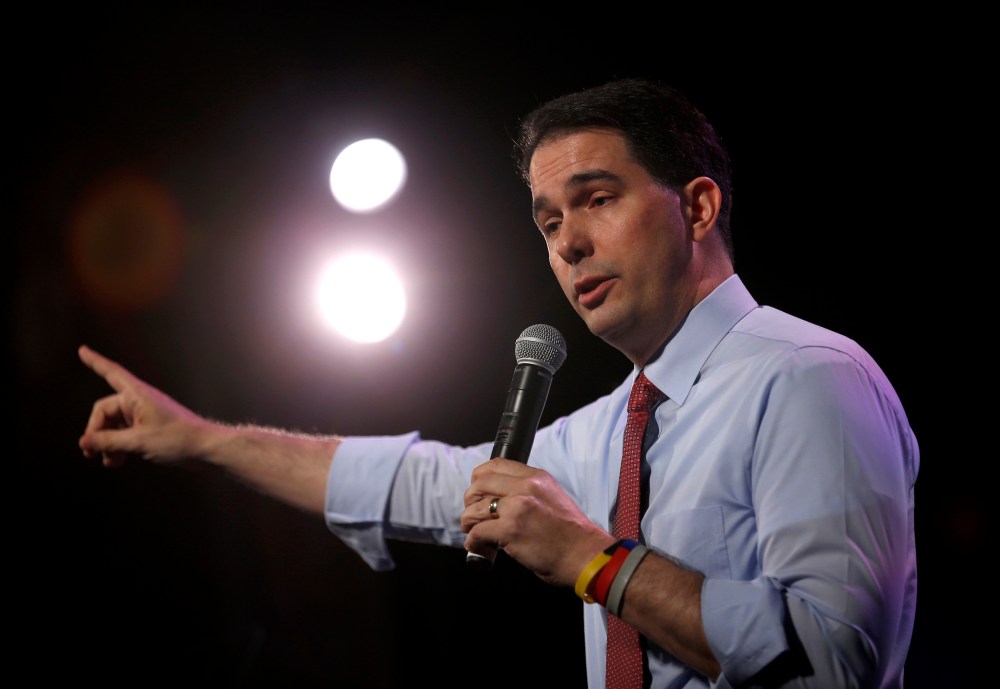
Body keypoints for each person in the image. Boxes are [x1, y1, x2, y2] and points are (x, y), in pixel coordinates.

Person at [78, 77, 919, 689]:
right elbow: (410, 480)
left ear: (697, 209)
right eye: (549, 222)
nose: (569, 244)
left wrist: (593, 559)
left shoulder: (809, 378)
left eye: (595, 200)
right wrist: (197, 437)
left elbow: (837, 662)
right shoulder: (600, 435)